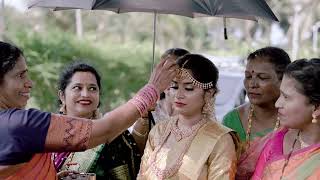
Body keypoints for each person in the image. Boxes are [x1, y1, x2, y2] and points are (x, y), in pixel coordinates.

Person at [0, 41, 177, 179]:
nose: (29, 83)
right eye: (20, 75)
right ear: (62, 96)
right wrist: (152, 89)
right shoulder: (21, 123)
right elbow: (106, 129)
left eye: (93, 88)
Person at [138, 54, 239, 179]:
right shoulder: (159, 131)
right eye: (174, 86)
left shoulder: (220, 139)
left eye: (189, 88)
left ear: (209, 93)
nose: (179, 95)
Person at [53, 62, 147, 179]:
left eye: (92, 88)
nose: (85, 94)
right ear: (62, 96)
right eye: (77, 87)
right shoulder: (47, 131)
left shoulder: (114, 135)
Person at [251, 58, 320, 179]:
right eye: (280, 95)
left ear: (317, 108)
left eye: (286, 97)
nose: (277, 104)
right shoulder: (277, 140)